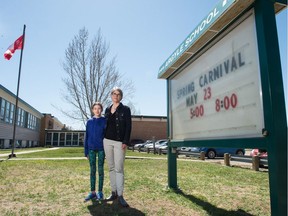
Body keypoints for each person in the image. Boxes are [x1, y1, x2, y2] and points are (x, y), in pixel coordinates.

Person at [104, 87, 132, 207]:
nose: (116, 96)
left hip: (120, 142)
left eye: (118, 94)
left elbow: (128, 126)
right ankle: (113, 192)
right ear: (111, 95)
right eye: (114, 94)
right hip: (107, 141)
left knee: (119, 168)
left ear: (121, 96)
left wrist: (125, 141)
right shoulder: (107, 109)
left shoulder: (125, 109)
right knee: (111, 168)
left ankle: (120, 195)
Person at [84, 102, 106, 202]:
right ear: (93, 110)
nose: (97, 110)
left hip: (101, 149)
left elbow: (106, 136)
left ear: (101, 110)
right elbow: (86, 136)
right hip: (91, 149)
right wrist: (86, 151)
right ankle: (93, 192)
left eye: (99, 108)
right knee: (92, 171)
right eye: (95, 108)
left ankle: (100, 192)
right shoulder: (89, 122)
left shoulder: (105, 121)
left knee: (100, 171)